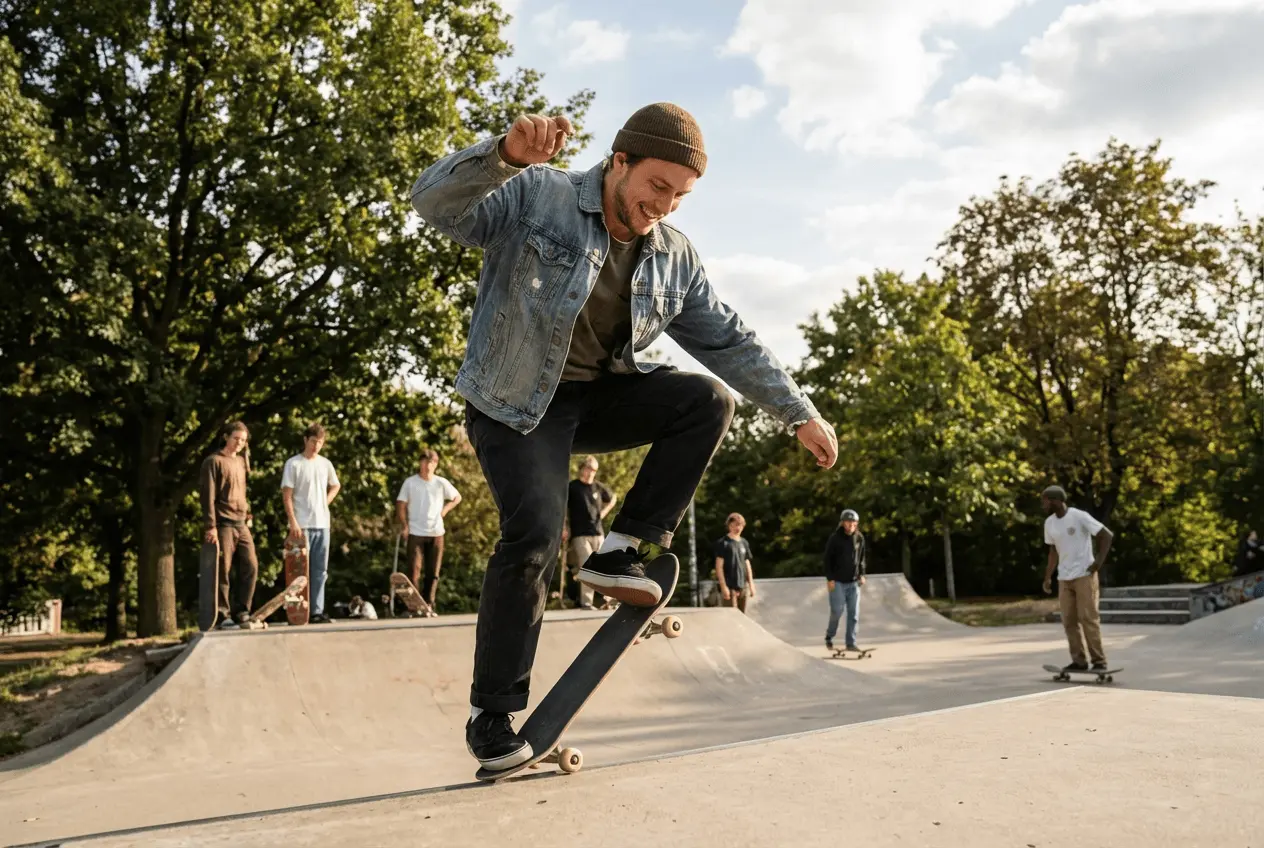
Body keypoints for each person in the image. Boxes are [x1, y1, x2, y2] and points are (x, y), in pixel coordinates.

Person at [410, 102, 838, 772]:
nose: (664, 206)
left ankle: (620, 551)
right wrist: (504, 157)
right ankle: (493, 715)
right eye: (657, 186)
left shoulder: (673, 257)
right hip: (514, 403)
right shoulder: (538, 194)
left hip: (597, 402)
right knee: (533, 535)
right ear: (619, 163)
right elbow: (434, 206)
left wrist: (796, 411)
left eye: (680, 195)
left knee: (706, 399)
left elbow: (728, 339)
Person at [1040, 485, 1114, 672]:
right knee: (1069, 621)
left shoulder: (1079, 516)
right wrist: (1048, 576)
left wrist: (1098, 562)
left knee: (1088, 618)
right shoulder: (1049, 523)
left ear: (1056, 500)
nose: (1043, 504)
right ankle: (1079, 661)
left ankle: (1099, 661)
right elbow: (1052, 551)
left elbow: (1106, 535)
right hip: (1064, 578)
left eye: (1046, 500)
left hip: (1084, 575)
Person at [199, 421, 259, 630]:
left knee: (251, 565)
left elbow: (240, 491)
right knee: (222, 570)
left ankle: (242, 610)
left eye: (243, 440)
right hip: (222, 523)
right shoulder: (213, 462)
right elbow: (208, 496)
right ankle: (222, 615)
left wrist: (247, 512)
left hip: (241, 523)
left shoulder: (242, 462)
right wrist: (210, 526)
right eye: (236, 438)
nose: (239, 443)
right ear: (226, 437)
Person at [281, 423, 342, 624]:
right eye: (314, 441)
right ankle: (298, 611)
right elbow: (287, 496)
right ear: (306, 440)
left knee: (320, 571)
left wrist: (325, 501)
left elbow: (336, 485)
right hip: (302, 524)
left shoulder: (325, 464)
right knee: (299, 571)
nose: (317, 446)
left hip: (322, 523)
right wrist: (293, 523)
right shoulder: (294, 464)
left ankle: (316, 610)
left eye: (320, 443)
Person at [396, 450, 462, 615]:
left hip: (436, 532)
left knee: (433, 572)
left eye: (431, 463)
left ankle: (429, 605)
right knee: (413, 570)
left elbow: (457, 497)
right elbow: (401, 504)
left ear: (435, 464)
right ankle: (413, 606)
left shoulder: (440, 483)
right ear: (420, 463)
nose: (427, 466)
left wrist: (445, 510)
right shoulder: (410, 483)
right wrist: (405, 525)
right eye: (425, 462)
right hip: (416, 532)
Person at [563, 456, 617, 610]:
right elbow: (562, 509)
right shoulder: (573, 487)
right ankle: (586, 603)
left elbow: (613, 498)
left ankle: (609, 601)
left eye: (594, 470)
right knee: (587, 566)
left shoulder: (598, 487)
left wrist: (603, 512)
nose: (592, 473)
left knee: (603, 567)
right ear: (583, 468)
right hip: (580, 534)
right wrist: (564, 528)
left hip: (598, 533)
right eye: (590, 469)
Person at [823, 508, 867, 651]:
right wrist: (830, 579)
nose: (851, 526)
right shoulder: (835, 539)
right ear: (842, 523)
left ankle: (851, 643)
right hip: (837, 582)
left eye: (853, 523)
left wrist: (862, 574)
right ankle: (829, 635)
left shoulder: (859, 538)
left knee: (854, 614)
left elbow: (861, 559)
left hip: (854, 582)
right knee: (837, 611)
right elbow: (827, 559)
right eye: (848, 523)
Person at [713, 513, 756, 613]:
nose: (737, 528)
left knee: (743, 615)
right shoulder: (723, 543)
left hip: (742, 585)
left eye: (740, 525)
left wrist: (751, 585)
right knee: (731, 615)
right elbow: (719, 566)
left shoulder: (744, 543)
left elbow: (747, 564)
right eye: (735, 525)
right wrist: (723, 587)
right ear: (729, 525)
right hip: (729, 585)